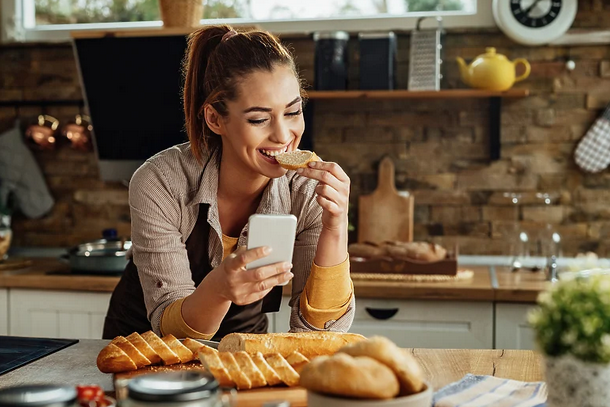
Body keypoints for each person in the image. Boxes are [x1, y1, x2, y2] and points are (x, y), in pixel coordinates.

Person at [102, 25, 355, 340]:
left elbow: (319, 333)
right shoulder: (161, 181)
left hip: (241, 346)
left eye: (292, 112)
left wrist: (335, 225)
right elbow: (170, 328)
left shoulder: (306, 190)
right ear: (215, 119)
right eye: (259, 119)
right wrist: (220, 288)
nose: (282, 136)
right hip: (143, 349)